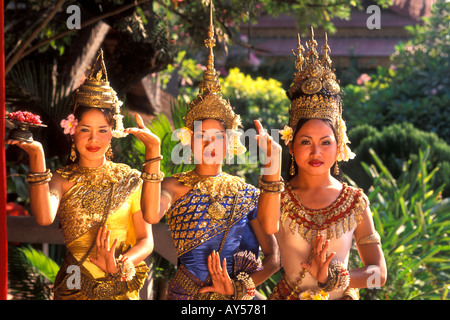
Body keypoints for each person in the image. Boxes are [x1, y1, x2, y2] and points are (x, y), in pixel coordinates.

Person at [125, 1, 281, 300]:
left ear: (231, 140)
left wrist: (237, 288)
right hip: (186, 296)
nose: (210, 145)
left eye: (218, 137)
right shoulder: (175, 186)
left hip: (238, 298)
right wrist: (153, 153)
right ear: (188, 139)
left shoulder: (247, 194)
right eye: (201, 136)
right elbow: (151, 214)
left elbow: (274, 259)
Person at [6, 50, 153, 300]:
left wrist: (118, 264)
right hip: (75, 288)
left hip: (119, 286)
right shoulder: (61, 180)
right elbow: (43, 217)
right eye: (85, 129)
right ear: (72, 130)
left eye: (102, 130)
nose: (94, 139)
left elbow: (146, 240)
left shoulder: (131, 179)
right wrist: (37, 156)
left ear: (113, 133)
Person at [258, 30, 387, 300]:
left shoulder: (354, 202)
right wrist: (271, 167)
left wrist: (333, 278)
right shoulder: (277, 196)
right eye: (306, 142)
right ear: (291, 146)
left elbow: (378, 274)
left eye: (326, 142)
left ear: (339, 147)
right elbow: (268, 227)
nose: (316, 151)